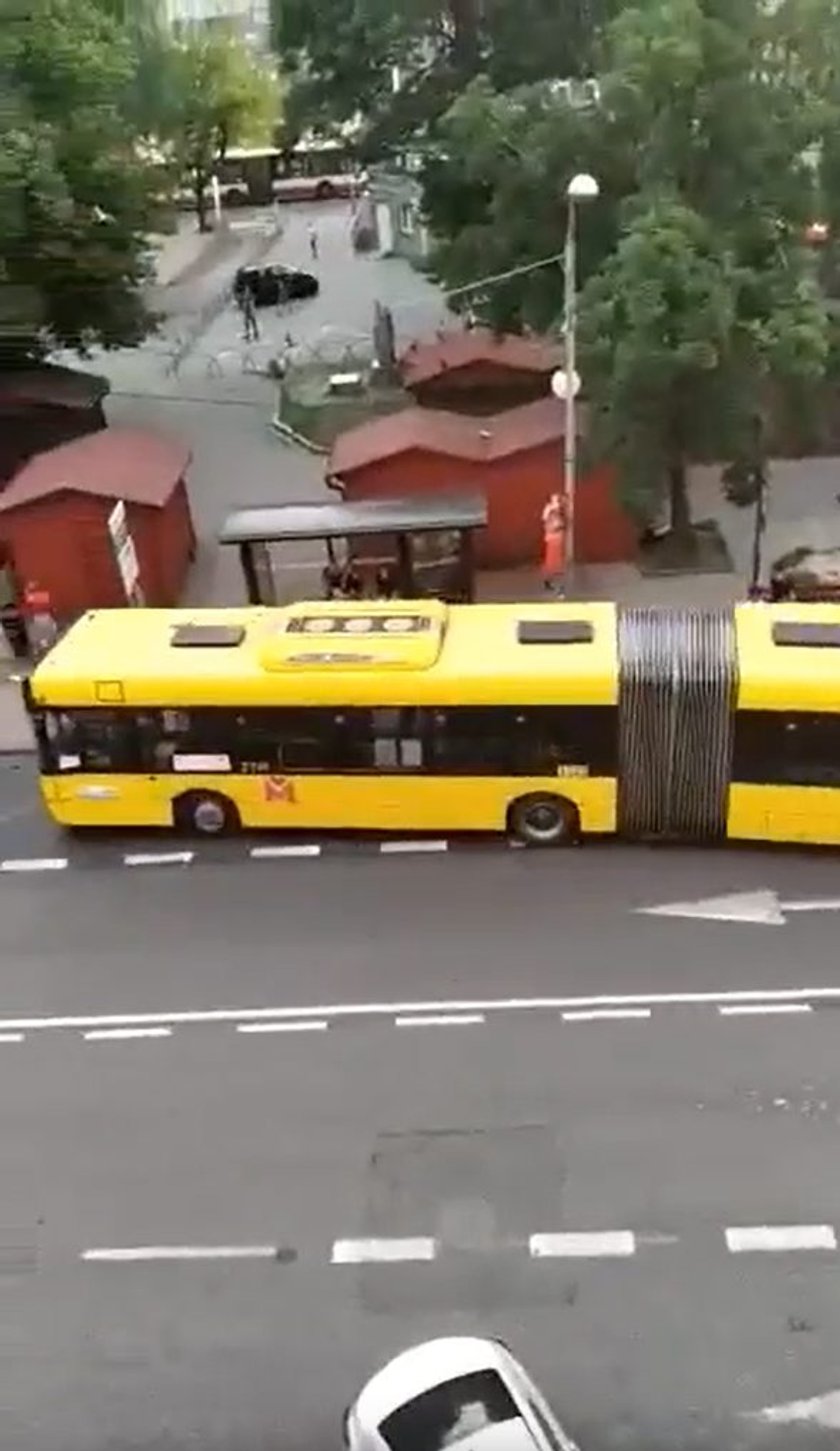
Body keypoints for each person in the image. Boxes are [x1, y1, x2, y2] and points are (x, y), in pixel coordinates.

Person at [541, 492, 567, 595]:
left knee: (557, 562)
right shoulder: (550, 510)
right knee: (552, 562)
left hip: (558, 538)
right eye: (556, 500)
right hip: (552, 538)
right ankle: (550, 582)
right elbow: (545, 520)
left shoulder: (560, 512)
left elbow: (563, 523)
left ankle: (554, 583)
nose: (558, 502)